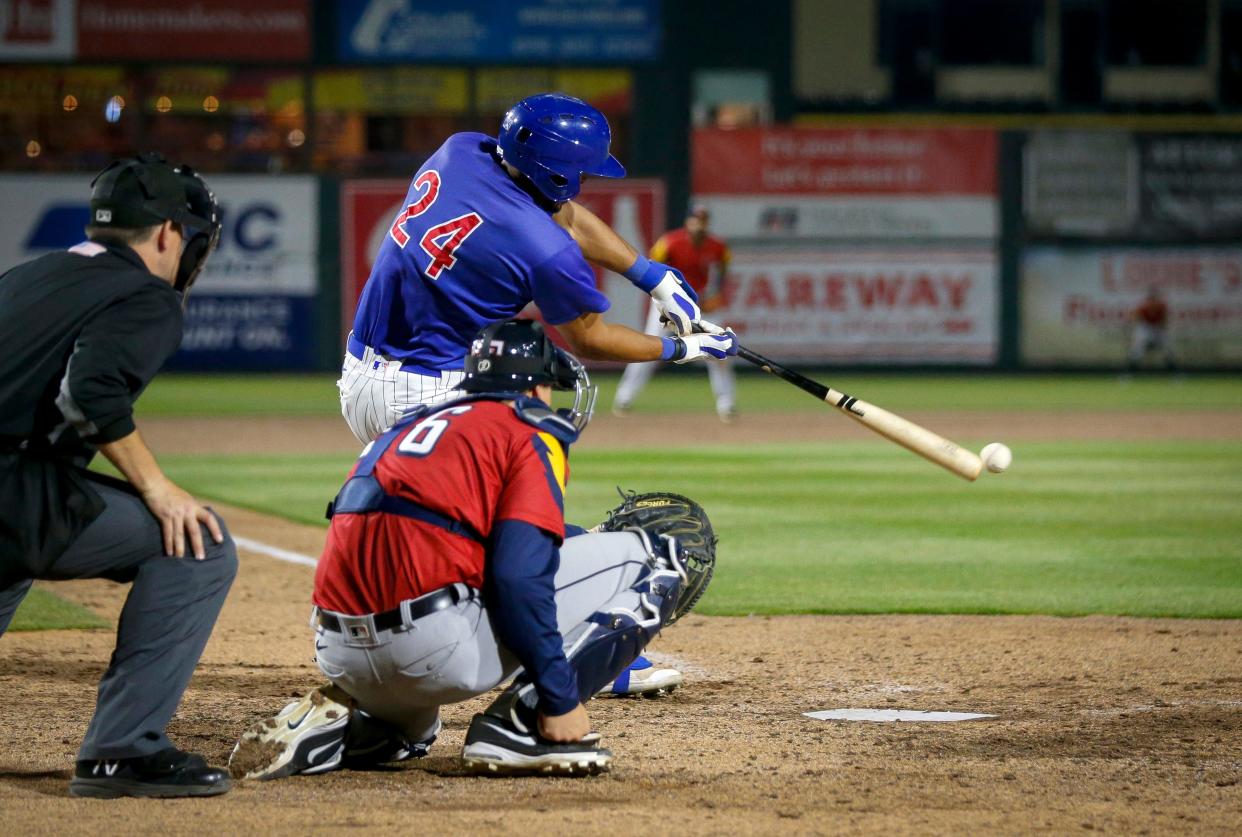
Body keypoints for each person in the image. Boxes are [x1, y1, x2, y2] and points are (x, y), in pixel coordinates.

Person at [337, 92, 733, 695]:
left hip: (361, 375)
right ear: (553, 170)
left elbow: (565, 214)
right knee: (525, 522)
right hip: (428, 394)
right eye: (579, 171)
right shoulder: (540, 250)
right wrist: (684, 350)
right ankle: (583, 648)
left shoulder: (461, 151)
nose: (585, 182)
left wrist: (651, 276)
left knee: (479, 528)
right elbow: (591, 338)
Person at [231, 320, 711, 779]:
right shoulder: (527, 430)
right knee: (658, 556)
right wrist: (560, 700)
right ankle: (521, 729)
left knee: (411, 731)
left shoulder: (408, 426)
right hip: (433, 653)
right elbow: (518, 579)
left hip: (340, 653)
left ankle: (342, 730)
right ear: (533, 387)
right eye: (548, 386)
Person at [0, 153, 237, 798]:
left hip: (16, 487)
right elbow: (91, 391)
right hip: (11, 489)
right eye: (192, 239)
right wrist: (159, 489)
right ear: (168, 233)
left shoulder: (33, 273)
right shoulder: (145, 295)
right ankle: (122, 752)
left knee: (27, 539)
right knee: (200, 546)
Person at [613, 205, 737, 422]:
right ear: (688, 221)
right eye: (696, 219)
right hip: (666, 301)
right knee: (647, 349)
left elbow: (724, 268)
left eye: (704, 220)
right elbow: (651, 269)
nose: (700, 224)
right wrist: (661, 300)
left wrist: (716, 294)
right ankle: (624, 397)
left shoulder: (717, 246)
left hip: (698, 304)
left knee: (720, 351)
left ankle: (726, 404)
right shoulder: (670, 242)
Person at [1126, 287, 1177, 372]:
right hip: (1146, 328)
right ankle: (1132, 368)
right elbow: (1134, 317)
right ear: (1148, 300)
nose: (1152, 301)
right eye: (1151, 299)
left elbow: (1165, 320)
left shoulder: (1161, 306)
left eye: (1154, 299)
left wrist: (1161, 330)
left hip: (1158, 328)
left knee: (1168, 345)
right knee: (1138, 346)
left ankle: (1172, 367)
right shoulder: (1143, 307)